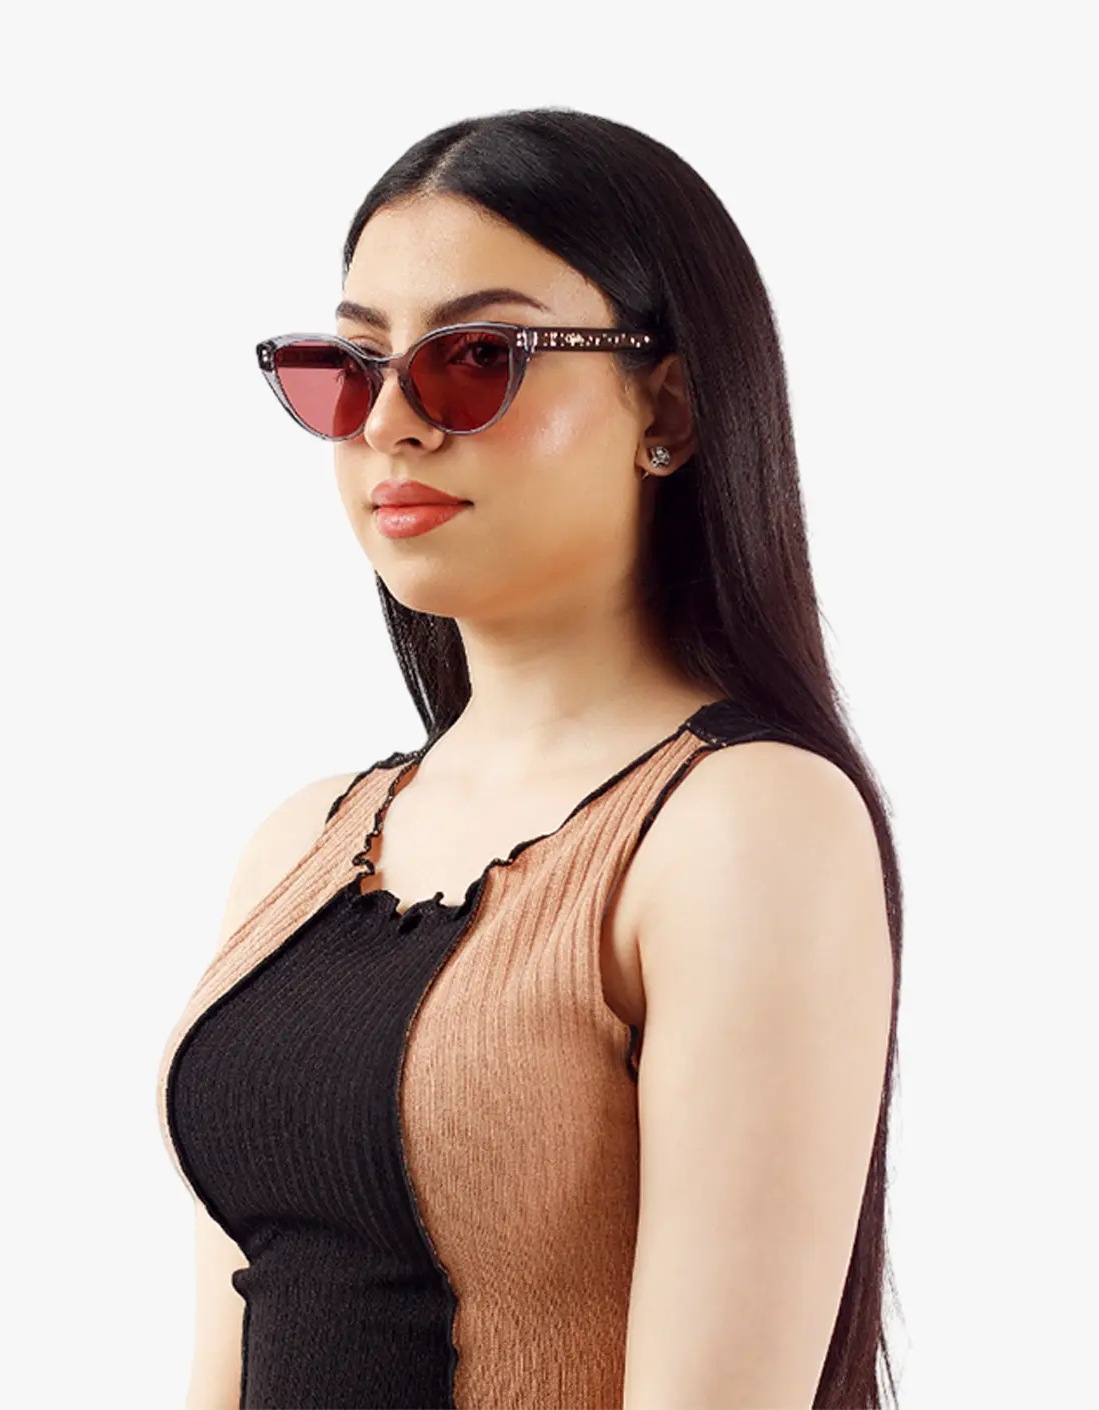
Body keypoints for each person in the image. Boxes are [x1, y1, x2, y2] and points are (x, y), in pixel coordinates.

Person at [156, 106, 902, 1410]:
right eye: (350, 367)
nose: (390, 424)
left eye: (474, 358)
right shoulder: (301, 845)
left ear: (668, 406)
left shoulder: (745, 824)